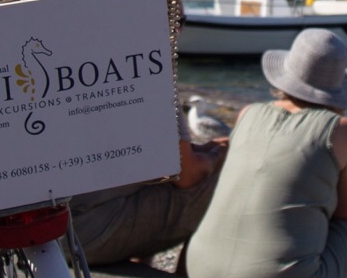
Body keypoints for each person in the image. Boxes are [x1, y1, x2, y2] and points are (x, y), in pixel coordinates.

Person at [186, 28, 347, 278]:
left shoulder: (247, 114)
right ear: (337, 89)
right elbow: (346, 211)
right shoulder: (345, 131)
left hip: (202, 275)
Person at [67, 111, 228, 267]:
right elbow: (187, 175)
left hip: (47, 235)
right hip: (84, 235)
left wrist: (197, 151)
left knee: (154, 164)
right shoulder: (152, 84)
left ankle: (141, 259)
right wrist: (217, 156)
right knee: (230, 177)